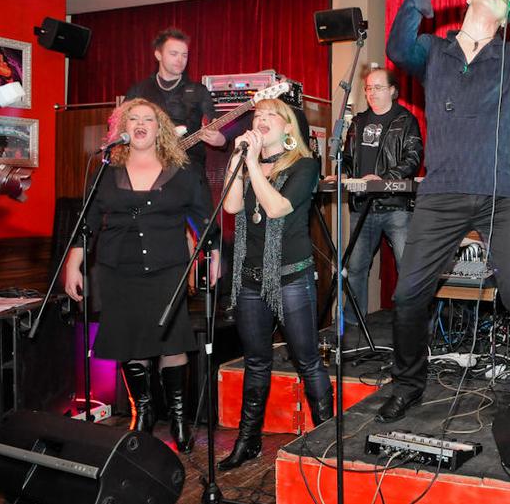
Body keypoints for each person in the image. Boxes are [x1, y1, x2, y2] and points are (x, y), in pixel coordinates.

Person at [379, 0, 510, 422]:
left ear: (506, 18)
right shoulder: (433, 51)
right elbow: (397, 47)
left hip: (505, 192)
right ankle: (407, 384)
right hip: (442, 191)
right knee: (408, 294)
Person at [63, 98, 219, 453]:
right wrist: (74, 263)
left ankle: (178, 419)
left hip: (168, 269)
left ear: (159, 128)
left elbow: (204, 218)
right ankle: (142, 413)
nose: (140, 124)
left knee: (172, 342)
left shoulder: (182, 171)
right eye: (133, 118)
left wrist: (213, 256)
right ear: (122, 128)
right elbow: (88, 221)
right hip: (119, 270)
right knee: (131, 342)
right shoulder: (106, 170)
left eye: (148, 119)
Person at [218, 97, 333, 469]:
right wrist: (238, 161)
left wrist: (252, 164)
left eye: (272, 115)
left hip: (291, 277)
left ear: (287, 128)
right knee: (256, 362)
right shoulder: (248, 161)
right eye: (258, 115)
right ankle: (248, 441)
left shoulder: (305, 165)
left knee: (307, 361)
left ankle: (327, 442)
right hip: (250, 278)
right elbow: (232, 207)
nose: (262, 119)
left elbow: (277, 208)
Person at [324, 67, 423, 326]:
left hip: (395, 206)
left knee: (407, 267)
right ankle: (353, 324)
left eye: (378, 87)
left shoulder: (405, 120)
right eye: (368, 88)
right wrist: (342, 173)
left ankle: (410, 324)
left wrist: (384, 179)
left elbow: (413, 159)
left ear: (393, 90)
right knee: (356, 267)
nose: (372, 92)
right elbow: (347, 158)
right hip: (362, 206)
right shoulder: (358, 122)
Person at [126, 28, 226, 171]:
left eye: (184, 55)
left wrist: (221, 140)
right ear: (158, 55)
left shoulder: (199, 91)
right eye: (174, 54)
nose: (180, 60)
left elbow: (215, 124)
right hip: (146, 167)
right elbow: (119, 126)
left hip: (188, 168)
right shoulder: (139, 91)